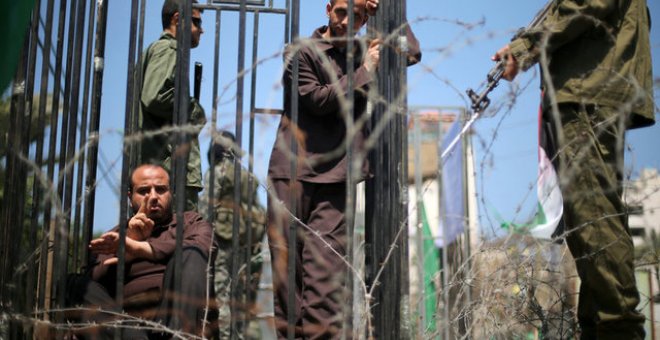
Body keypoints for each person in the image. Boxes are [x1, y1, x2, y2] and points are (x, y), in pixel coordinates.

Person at [492, 0, 654, 338]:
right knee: (585, 222)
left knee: (595, 217)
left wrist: (525, 47)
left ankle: (618, 327)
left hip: (589, 93)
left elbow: (586, 4)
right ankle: (601, 324)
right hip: (586, 90)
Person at [266, 0, 421, 337]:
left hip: (335, 180)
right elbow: (317, 99)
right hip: (290, 175)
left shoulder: (366, 48)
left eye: (360, 16)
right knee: (287, 284)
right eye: (341, 12)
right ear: (327, 10)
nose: (348, 21)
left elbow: (411, 52)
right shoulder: (302, 51)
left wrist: (387, 8)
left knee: (325, 283)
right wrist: (365, 71)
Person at [66, 164, 216, 339]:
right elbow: (95, 283)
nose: (153, 196)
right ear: (130, 197)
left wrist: (138, 248)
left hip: (176, 323)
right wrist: (130, 243)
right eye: (144, 190)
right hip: (127, 329)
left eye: (160, 189)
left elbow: (204, 247)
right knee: (74, 284)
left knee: (192, 253)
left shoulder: (191, 223)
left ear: (171, 193)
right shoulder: (114, 236)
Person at [199, 131, 267, 339]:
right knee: (239, 296)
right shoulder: (247, 176)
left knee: (221, 295)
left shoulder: (217, 172)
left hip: (221, 242)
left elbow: (205, 209)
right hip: (246, 242)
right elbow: (258, 209)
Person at [139, 0, 206, 211]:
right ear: (178, 19)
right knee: (182, 238)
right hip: (171, 170)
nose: (201, 30)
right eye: (196, 22)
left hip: (164, 167)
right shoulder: (169, 49)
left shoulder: (162, 51)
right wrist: (194, 110)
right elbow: (154, 97)